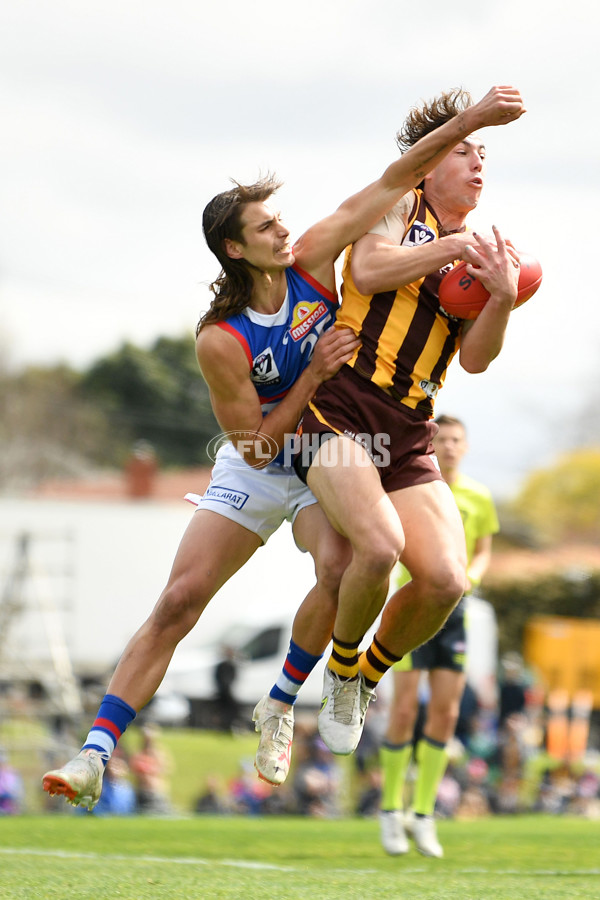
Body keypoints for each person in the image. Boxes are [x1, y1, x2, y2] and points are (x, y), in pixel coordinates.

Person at [41, 84, 520, 810]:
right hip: (276, 449)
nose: (283, 229)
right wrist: (314, 376)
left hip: (343, 441)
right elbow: (259, 448)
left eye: (279, 218)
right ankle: (94, 752)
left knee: (351, 564)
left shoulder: (314, 259)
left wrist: (473, 128)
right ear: (236, 248)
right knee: (182, 597)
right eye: (266, 226)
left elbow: (395, 179)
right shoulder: (222, 338)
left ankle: (288, 700)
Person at [289, 86, 524, 763]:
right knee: (380, 548)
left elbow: (475, 360)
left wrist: (501, 298)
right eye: (466, 151)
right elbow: (369, 266)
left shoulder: (483, 250)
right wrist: (449, 249)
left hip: (409, 427)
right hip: (339, 408)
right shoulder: (400, 206)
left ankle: (363, 677)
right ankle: (338, 669)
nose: (480, 165)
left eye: (485, 155)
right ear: (429, 163)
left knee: (448, 580)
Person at [379, 415, 499, 858]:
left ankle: (424, 814)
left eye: (456, 440)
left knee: (446, 715)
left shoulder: (478, 496)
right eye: (442, 438)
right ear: (431, 442)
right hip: (412, 602)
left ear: (465, 446)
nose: (448, 446)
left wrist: (473, 576)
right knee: (405, 709)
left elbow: (484, 548)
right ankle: (391, 810)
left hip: (457, 608)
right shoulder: (413, 485)